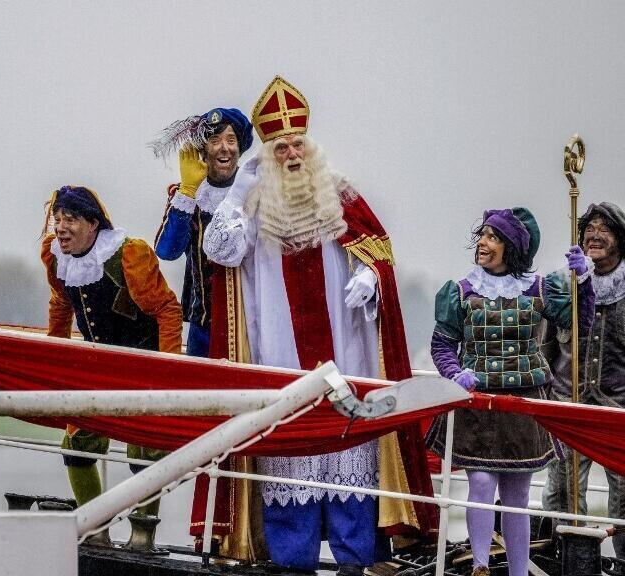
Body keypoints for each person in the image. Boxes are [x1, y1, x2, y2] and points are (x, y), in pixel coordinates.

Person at [203, 75, 420, 575]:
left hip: (349, 357)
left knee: (349, 458)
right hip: (278, 356)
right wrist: (236, 193)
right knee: (290, 461)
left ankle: (356, 562)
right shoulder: (253, 205)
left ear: (311, 145)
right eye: (280, 147)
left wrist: (369, 276)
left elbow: (379, 249)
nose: (291, 154)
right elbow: (220, 252)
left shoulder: (339, 194)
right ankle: (291, 564)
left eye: (298, 143)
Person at [428, 207, 595, 576]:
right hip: (480, 404)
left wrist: (583, 281)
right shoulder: (461, 290)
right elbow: (442, 345)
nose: (483, 243)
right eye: (482, 235)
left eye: (492, 237)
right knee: (482, 483)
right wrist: (455, 373)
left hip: (524, 402)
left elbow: (579, 326)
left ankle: (519, 571)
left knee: (518, 495)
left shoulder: (539, 288)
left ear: (511, 247)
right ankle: (482, 566)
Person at [40, 185, 183, 546]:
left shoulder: (128, 255)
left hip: (142, 362)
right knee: (76, 445)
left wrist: (169, 367)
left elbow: (168, 309)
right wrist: (52, 355)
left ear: (93, 223)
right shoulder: (57, 257)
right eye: (57, 219)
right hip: (95, 365)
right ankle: (96, 528)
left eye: (70, 219)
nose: (60, 227)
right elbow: (61, 303)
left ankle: (143, 533)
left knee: (145, 450)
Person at [541, 201, 625, 558]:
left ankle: (622, 561)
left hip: (618, 409)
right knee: (563, 490)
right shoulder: (563, 284)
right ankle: (566, 560)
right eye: (589, 228)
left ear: (619, 238)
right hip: (568, 403)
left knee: (623, 491)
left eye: (604, 228)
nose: (595, 235)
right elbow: (545, 347)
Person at [152, 107, 254, 358]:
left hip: (249, 322)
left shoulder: (256, 191)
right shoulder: (187, 195)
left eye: (231, 140)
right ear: (203, 150)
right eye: (215, 140)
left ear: (239, 149)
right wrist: (187, 191)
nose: (224, 148)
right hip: (203, 328)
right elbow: (167, 251)